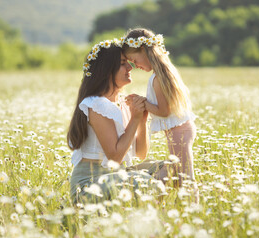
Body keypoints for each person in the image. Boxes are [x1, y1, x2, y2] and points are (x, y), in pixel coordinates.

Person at [67, 39, 179, 204]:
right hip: (90, 185)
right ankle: (146, 219)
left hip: (115, 176)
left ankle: (148, 215)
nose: (130, 67)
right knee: (144, 181)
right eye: (122, 64)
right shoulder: (97, 104)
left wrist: (141, 119)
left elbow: (141, 153)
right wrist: (134, 119)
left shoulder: (122, 103)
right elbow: (114, 159)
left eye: (129, 63)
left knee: (175, 168)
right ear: (107, 70)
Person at [122, 28, 198, 193]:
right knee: (180, 172)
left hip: (180, 132)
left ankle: (192, 206)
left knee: (185, 176)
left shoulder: (158, 78)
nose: (135, 66)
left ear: (143, 50)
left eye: (134, 60)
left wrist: (142, 102)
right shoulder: (161, 73)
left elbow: (164, 111)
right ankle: (184, 204)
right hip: (179, 130)